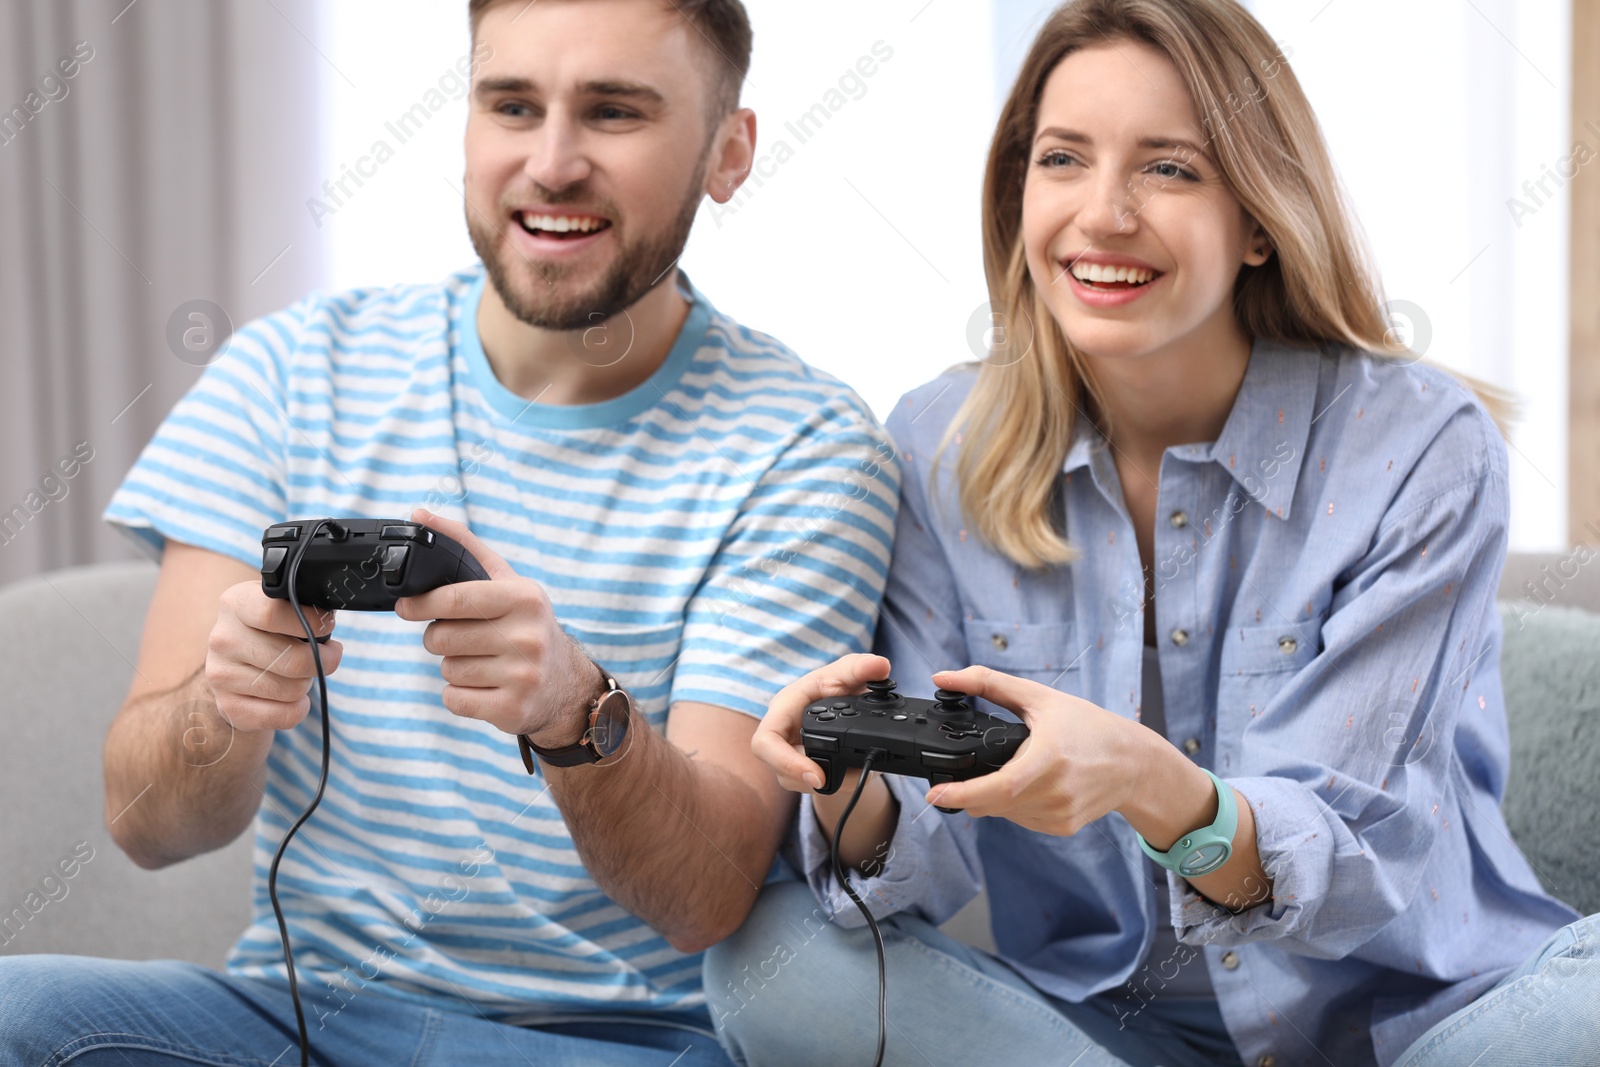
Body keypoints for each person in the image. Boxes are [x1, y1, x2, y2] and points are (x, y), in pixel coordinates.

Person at [0, 1, 897, 1064]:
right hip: (300, 1020)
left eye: (613, 112)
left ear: (727, 152)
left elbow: (702, 898)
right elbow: (145, 820)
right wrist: (223, 706)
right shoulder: (288, 374)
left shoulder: (806, 445)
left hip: (617, 1041)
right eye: (511, 105)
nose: (551, 164)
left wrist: (576, 710)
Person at [710, 1, 1599, 1065]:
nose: (1102, 214)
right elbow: (915, 861)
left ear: (1260, 217)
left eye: (1168, 169)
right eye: (1062, 160)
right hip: (1104, 1037)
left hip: (1424, 1024)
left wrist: (1150, 782)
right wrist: (849, 775)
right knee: (774, 954)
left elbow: (1352, 861)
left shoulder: (1413, 444)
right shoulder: (938, 442)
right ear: (1018, 195)